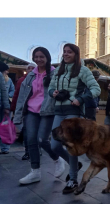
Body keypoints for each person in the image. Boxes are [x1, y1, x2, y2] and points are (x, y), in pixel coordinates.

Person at [48, 43, 101, 194]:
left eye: (69, 52)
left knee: (71, 147)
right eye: (64, 52)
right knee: (54, 145)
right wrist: (53, 92)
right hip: (58, 110)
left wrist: (81, 99)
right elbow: (50, 88)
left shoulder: (83, 70)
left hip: (73, 111)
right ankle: (74, 165)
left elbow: (96, 89)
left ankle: (72, 179)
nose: (66, 54)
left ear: (76, 54)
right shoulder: (58, 70)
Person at [14, 47, 66, 184]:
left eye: (41, 56)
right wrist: (17, 116)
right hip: (31, 111)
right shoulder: (30, 75)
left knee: (42, 140)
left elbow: (63, 91)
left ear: (47, 58)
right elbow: (22, 96)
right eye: (36, 57)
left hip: (47, 111)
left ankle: (57, 159)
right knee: (30, 140)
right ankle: (35, 171)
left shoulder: (55, 74)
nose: (39, 59)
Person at [11, 62, 36, 160]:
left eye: (32, 68)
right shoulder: (22, 80)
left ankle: (35, 149)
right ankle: (27, 151)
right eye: (28, 68)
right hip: (26, 109)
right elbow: (17, 95)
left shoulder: (40, 79)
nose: (30, 69)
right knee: (26, 130)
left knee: (36, 131)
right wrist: (14, 107)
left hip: (37, 108)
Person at [0, 61, 15, 155]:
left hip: (6, 105)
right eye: (6, 70)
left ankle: (5, 148)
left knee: (6, 127)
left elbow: (13, 90)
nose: (7, 72)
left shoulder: (8, 80)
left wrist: (6, 96)